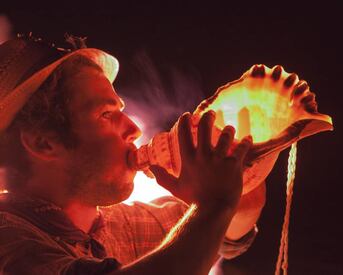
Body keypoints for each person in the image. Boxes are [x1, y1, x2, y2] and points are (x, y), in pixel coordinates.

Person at [0, 35, 298, 274]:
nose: (131, 128)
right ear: (43, 143)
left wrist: (242, 196)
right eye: (106, 114)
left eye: (121, 110)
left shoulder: (123, 223)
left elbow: (223, 236)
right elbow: (199, 232)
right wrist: (215, 205)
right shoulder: (9, 238)